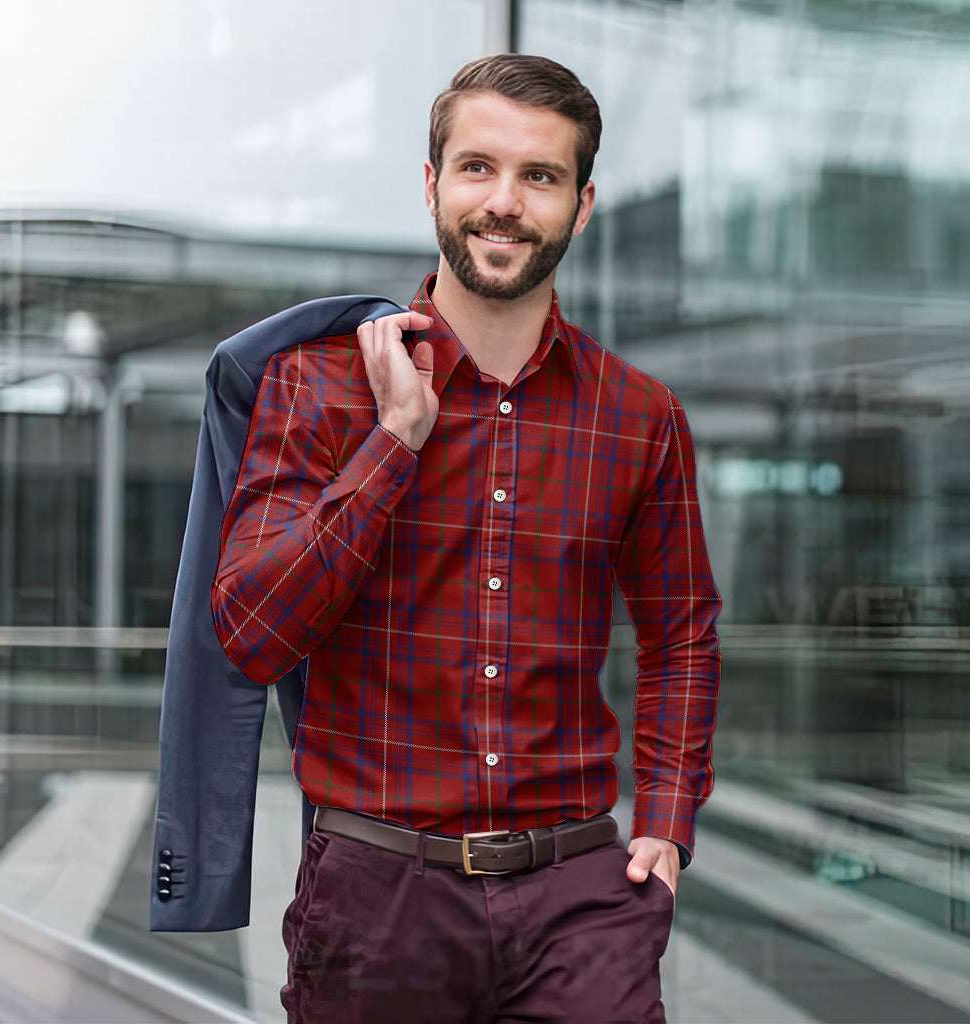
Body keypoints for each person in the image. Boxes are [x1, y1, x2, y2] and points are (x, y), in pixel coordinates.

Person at [211, 53, 721, 1024]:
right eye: (478, 167)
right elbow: (250, 632)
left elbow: (681, 631)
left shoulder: (638, 415)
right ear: (432, 182)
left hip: (580, 897)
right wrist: (395, 439)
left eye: (541, 176)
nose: (505, 202)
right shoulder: (316, 388)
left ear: (582, 204)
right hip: (378, 897)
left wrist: (663, 817)